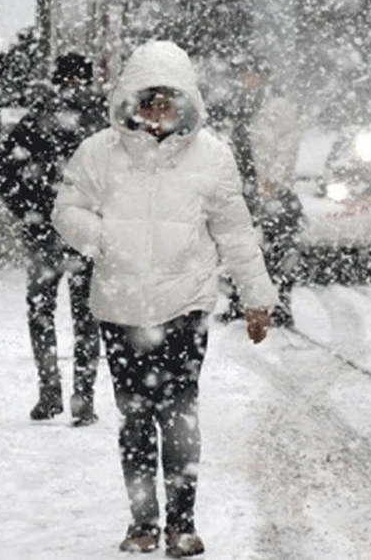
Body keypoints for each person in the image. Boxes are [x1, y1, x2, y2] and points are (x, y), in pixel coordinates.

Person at [53, 41, 277, 557]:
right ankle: (142, 523)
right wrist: (102, 239)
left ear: (186, 104)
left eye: (168, 102)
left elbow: (236, 233)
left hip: (184, 307)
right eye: (149, 101)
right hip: (120, 306)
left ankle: (182, 521)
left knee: (178, 413)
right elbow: (68, 209)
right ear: (131, 102)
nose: (158, 113)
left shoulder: (213, 158)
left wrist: (257, 298)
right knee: (134, 416)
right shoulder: (98, 153)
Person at [0, 52, 107, 425]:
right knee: (85, 318)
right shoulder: (101, 125)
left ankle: (51, 393)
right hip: (82, 235)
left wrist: (27, 209)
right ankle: (81, 398)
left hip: (47, 232)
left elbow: (4, 170)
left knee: (44, 313)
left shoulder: (38, 120)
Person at [217, 55, 304, 329]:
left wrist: (275, 179)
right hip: (243, 186)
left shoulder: (278, 107)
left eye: (254, 75)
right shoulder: (237, 105)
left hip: (271, 187)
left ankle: (281, 305)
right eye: (246, 76)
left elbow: (289, 144)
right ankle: (238, 302)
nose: (249, 81)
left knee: (279, 247)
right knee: (240, 247)